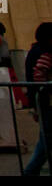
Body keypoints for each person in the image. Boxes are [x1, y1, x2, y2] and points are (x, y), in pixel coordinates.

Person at [23, 21, 52, 176]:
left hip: (42, 101)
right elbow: (37, 79)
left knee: (46, 138)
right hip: (46, 102)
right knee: (46, 139)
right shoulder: (43, 53)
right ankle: (30, 171)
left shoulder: (39, 51)